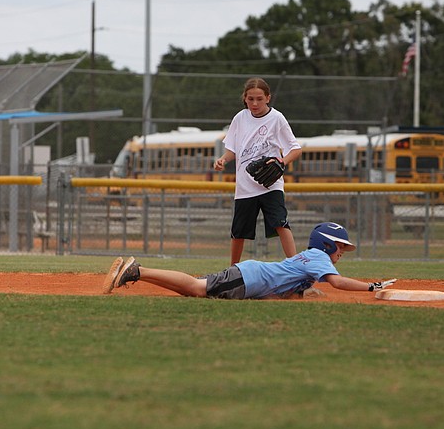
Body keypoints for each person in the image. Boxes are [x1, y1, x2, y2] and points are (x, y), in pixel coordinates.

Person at [104, 222, 396, 300]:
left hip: (252, 278)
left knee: (195, 290)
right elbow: (338, 283)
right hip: (250, 277)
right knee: (197, 287)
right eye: (341, 247)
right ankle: (137, 270)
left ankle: (136, 272)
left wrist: (303, 292)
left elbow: (285, 288)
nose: (341, 253)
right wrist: (372, 287)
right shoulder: (320, 257)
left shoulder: (310, 258)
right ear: (327, 244)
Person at [213, 77, 303, 265]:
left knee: (281, 223)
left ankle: (296, 269)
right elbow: (233, 149)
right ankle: (233, 271)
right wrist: (223, 159)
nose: (255, 103)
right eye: (250, 98)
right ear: (245, 98)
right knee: (239, 232)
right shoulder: (240, 118)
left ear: (268, 98)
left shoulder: (276, 118)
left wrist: (282, 161)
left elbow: (295, 149)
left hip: (270, 184)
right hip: (245, 186)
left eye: (259, 98)